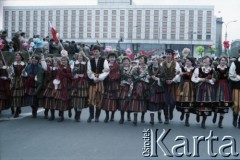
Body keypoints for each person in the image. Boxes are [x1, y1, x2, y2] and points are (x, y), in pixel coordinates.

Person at [192, 56, 217, 129]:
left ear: (210, 62)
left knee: (207, 104)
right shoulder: (198, 69)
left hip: (209, 88)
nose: (205, 61)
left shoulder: (212, 70)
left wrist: (209, 81)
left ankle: (204, 121)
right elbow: (193, 78)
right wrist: (201, 79)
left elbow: (214, 81)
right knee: (199, 102)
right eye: (204, 60)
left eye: (206, 60)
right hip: (199, 87)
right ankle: (198, 114)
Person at [87, 45, 109, 122]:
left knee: (99, 99)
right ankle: (91, 115)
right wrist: (94, 78)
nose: (95, 53)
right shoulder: (90, 61)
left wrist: (99, 78)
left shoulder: (104, 60)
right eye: (94, 51)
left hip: (100, 83)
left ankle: (97, 116)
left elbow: (106, 70)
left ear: (100, 52)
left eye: (97, 51)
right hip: (92, 82)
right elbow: (89, 71)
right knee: (91, 99)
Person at [161, 49, 181, 124]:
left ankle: (171, 111)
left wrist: (172, 80)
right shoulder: (162, 64)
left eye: (170, 54)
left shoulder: (176, 64)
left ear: (172, 55)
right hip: (165, 84)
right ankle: (166, 118)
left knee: (173, 101)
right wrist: (165, 80)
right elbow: (160, 74)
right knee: (165, 102)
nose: (168, 56)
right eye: (167, 54)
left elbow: (178, 74)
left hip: (173, 84)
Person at [129, 55, 149, 126]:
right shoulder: (135, 67)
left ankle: (142, 116)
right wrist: (133, 78)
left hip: (144, 86)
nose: (140, 60)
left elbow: (149, 76)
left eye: (142, 58)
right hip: (136, 85)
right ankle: (135, 119)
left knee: (143, 101)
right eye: (139, 58)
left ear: (145, 60)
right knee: (135, 101)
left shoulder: (147, 67)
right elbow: (130, 75)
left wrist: (143, 78)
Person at [176, 56, 195, 126]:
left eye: (189, 61)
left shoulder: (194, 69)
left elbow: (194, 77)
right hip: (183, 85)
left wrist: (188, 74)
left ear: (192, 62)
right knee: (182, 101)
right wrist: (180, 74)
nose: (187, 62)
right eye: (186, 61)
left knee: (188, 102)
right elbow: (178, 75)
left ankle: (187, 119)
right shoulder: (182, 68)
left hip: (190, 86)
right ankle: (182, 113)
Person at [213, 56, 232, 128]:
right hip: (217, 86)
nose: (223, 61)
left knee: (224, 103)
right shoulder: (215, 68)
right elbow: (214, 78)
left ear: (226, 61)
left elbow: (230, 77)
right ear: (219, 61)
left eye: (224, 60)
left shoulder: (229, 69)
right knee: (216, 102)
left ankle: (220, 121)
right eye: (222, 60)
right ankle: (215, 114)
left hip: (225, 87)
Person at [53, 53, 72, 122]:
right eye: (62, 60)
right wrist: (56, 80)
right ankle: (62, 114)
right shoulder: (60, 68)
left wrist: (65, 74)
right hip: (61, 84)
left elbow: (70, 76)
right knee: (60, 99)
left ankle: (69, 110)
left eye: (65, 60)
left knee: (67, 99)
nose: (63, 61)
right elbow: (58, 75)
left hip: (67, 84)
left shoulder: (69, 67)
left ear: (67, 61)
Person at [102, 52, 120, 123]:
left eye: (113, 57)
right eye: (110, 57)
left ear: (115, 58)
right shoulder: (105, 66)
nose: (112, 58)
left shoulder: (117, 66)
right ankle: (107, 116)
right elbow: (102, 74)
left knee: (114, 101)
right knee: (106, 100)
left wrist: (111, 76)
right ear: (108, 58)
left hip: (114, 85)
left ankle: (112, 115)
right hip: (107, 84)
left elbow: (118, 75)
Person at [147, 55, 165, 125]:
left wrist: (158, 79)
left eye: (155, 60)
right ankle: (152, 119)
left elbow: (164, 78)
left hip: (159, 88)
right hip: (151, 87)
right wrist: (148, 77)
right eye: (153, 60)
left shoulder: (161, 68)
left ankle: (159, 117)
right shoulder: (149, 67)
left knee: (159, 103)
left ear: (158, 61)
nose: (154, 61)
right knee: (151, 102)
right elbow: (146, 75)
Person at [71, 51, 89, 122]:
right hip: (75, 82)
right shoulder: (74, 63)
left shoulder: (86, 64)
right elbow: (72, 72)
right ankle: (76, 113)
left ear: (83, 57)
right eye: (78, 56)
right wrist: (74, 74)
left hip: (82, 82)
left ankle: (78, 115)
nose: (79, 57)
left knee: (80, 100)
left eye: (81, 56)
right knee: (75, 99)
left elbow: (88, 72)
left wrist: (83, 75)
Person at [10, 52, 26, 118]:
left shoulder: (24, 64)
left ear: (21, 57)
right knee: (14, 95)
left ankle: (17, 109)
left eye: (18, 55)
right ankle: (15, 108)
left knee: (19, 95)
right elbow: (12, 73)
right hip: (15, 80)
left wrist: (24, 73)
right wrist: (10, 72)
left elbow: (26, 73)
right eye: (16, 55)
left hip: (21, 80)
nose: (17, 56)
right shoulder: (13, 64)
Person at [118, 57, 132, 124]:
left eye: (127, 61)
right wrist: (120, 82)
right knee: (122, 102)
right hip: (123, 87)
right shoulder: (120, 69)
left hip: (130, 87)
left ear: (129, 62)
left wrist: (131, 81)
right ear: (122, 62)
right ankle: (122, 117)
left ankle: (128, 115)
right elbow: (118, 77)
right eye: (124, 61)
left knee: (129, 101)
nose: (126, 62)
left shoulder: (132, 68)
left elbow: (134, 76)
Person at [229, 49, 240, 128]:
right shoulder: (235, 63)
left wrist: (237, 76)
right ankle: (235, 117)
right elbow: (231, 75)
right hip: (237, 86)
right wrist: (238, 77)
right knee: (236, 104)